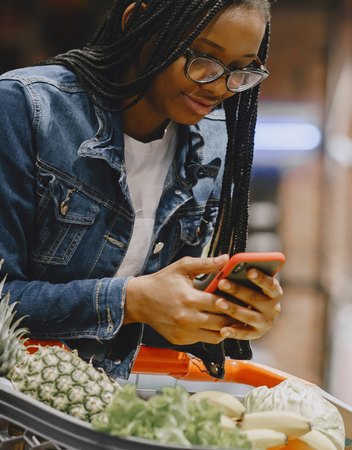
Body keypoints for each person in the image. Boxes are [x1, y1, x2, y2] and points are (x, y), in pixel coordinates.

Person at [0, 0, 282, 380]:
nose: (218, 86)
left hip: (107, 412)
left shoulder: (211, 145)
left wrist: (227, 317)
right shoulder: (26, 109)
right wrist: (129, 300)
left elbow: (156, 336)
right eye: (204, 59)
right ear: (138, 22)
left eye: (240, 70)